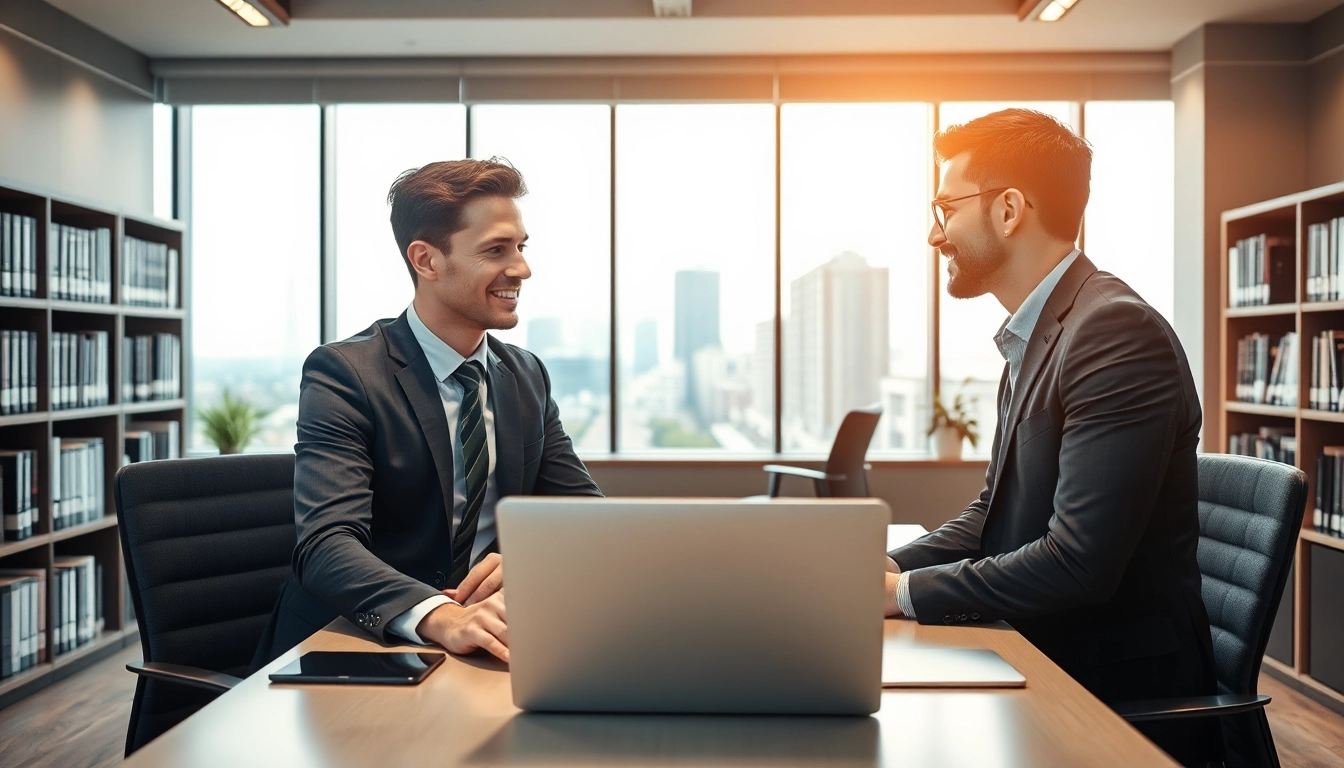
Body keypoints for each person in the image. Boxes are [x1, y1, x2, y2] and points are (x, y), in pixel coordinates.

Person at [886, 109, 1218, 765]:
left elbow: (1078, 563)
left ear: (1009, 209)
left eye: (946, 209)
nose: (934, 234)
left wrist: (901, 596)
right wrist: (886, 568)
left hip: (1109, 689)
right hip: (1044, 650)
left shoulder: (1114, 333)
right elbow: (994, 513)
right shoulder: (1037, 336)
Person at [253, 158, 601, 669]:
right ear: (427, 260)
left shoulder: (525, 374)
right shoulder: (345, 373)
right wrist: (441, 615)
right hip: (355, 647)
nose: (522, 269)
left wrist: (530, 561)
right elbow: (326, 546)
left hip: (489, 635)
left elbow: (586, 518)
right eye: (496, 250)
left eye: (521, 248)